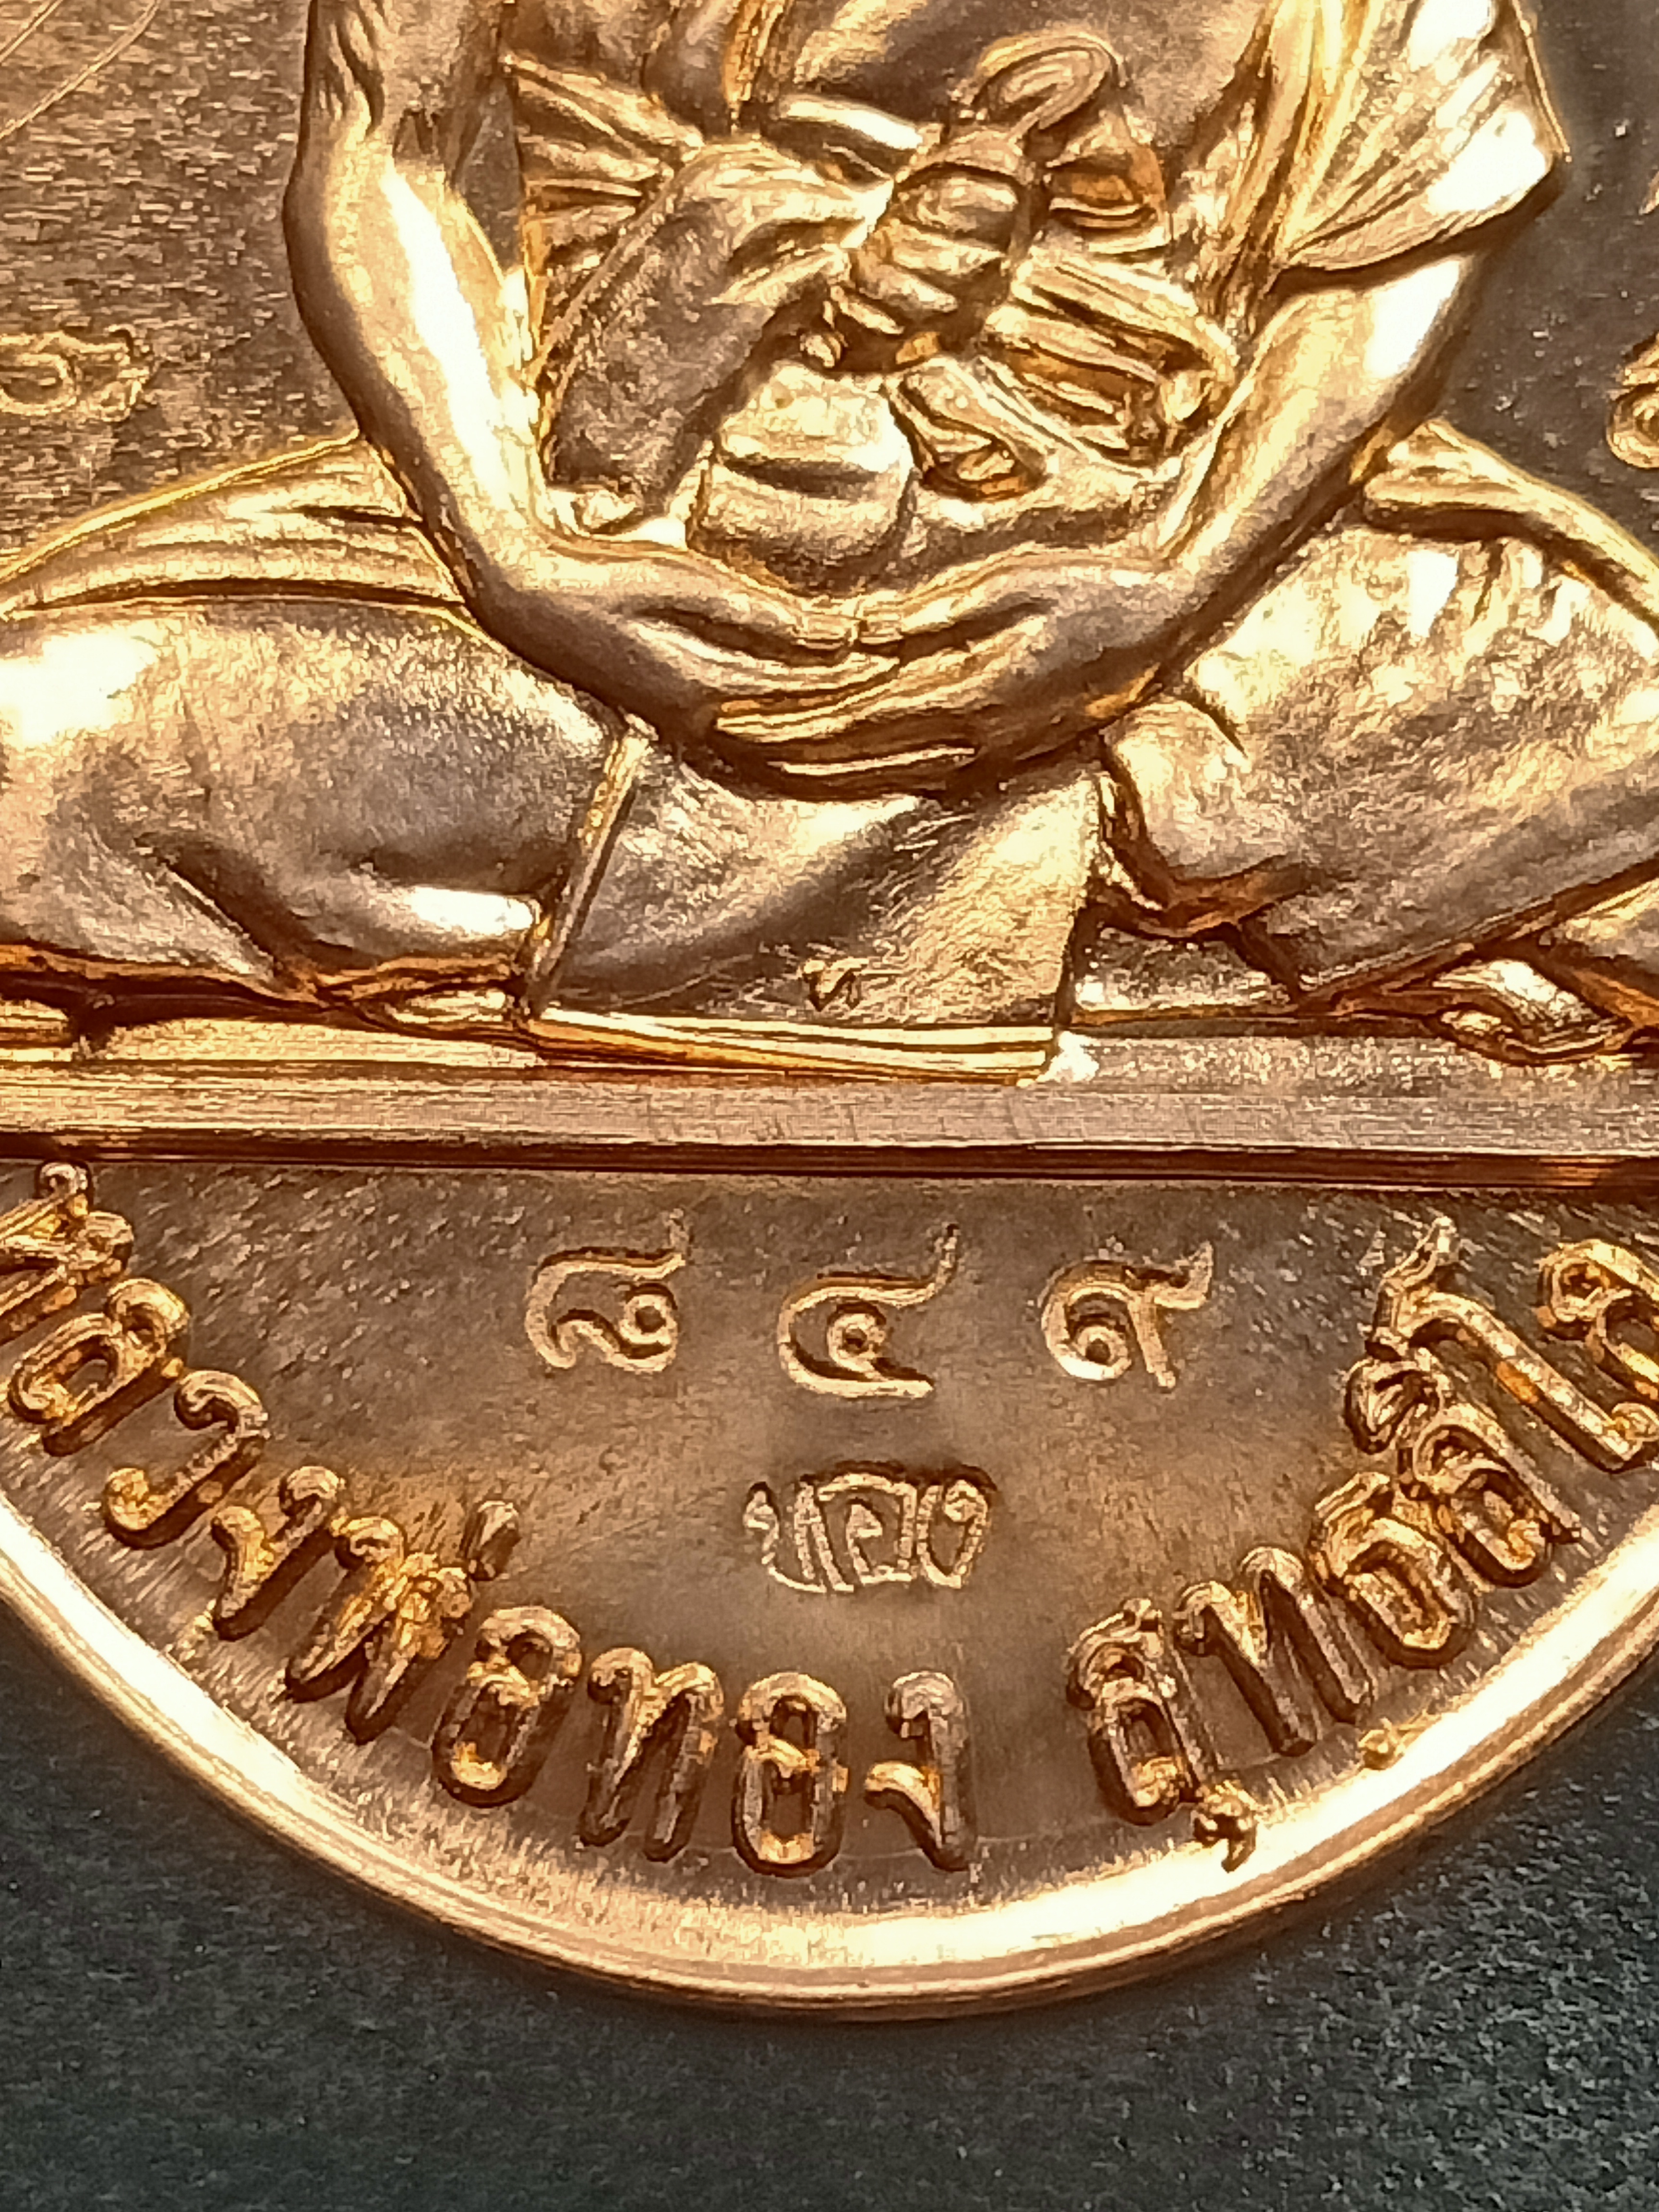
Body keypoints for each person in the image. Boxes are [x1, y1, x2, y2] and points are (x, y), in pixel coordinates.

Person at [3, 0, 1658, 1069]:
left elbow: (1386, 238)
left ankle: (491, 907)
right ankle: (1151, 902)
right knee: (44, 744)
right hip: (594, 559)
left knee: (1602, 739)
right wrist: (514, 554)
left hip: (1155, 588)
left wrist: (1168, 584)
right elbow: (381, 156)